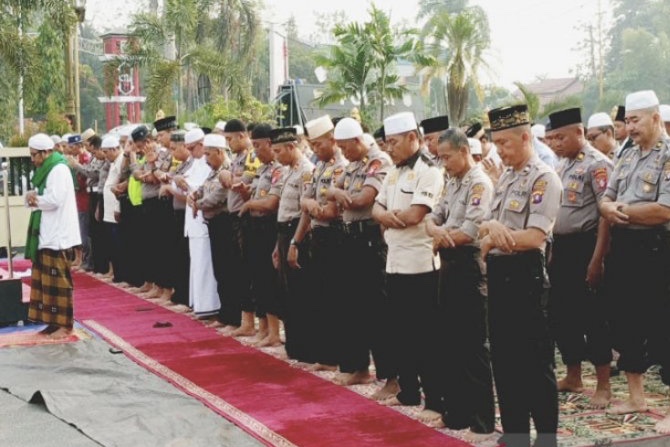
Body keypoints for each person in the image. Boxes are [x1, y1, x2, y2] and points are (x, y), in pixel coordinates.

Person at [478, 104, 561, 447]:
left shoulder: (544, 178)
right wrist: (490, 231)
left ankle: (545, 438)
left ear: (526, 137)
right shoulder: (507, 177)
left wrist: (495, 233)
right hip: (499, 276)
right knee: (505, 362)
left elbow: (535, 237)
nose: (499, 150)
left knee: (534, 364)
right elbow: (483, 232)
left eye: (505, 143)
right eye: (496, 143)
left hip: (525, 277)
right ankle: (514, 435)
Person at [599, 90, 670, 434]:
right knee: (625, 321)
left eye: (636, 119)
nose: (629, 126)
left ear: (656, 118)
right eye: (626, 120)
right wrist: (609, 208)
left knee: (664, 328)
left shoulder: (668, 154)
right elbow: (605, 198)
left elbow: (664, 210)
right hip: (625, 248)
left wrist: (619, 211)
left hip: (657, 250)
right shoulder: (626, 155)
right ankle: (636, 396)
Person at [371, 111, 445, 427]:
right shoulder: (392, 173)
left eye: (395, 141)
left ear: (413, 138)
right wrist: (388, 217)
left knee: (426, 336)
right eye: (387, 142)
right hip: (395, 261)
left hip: (421, 264)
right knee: (400, 331)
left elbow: (416, 214)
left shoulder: (429, 171)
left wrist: (390, 217)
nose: (390, 147)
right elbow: (377, 207)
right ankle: (409, 391)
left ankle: (435, 396)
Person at [425, 128, 495, 441]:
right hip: (449, 264)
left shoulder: (479, 183)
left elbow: (471, 231)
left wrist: (440, 235)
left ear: (465, 151)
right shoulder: (452, 181)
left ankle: (482, 420)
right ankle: (456, 413)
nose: (444, 164)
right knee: (448, 341)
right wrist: (435, 231)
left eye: (448, 157)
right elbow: (433, 216)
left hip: (468, 265)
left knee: (472, 345)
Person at [547, 107, 613, 408]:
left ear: (579, 132)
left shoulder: (597, 165)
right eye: (552, 138)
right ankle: (574, 375)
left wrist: (597, 259)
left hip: (586, 247)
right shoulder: (559, 165)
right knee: (563, 315)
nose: (556, 143)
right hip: (560, 248)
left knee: (593, 317)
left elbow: (605, 215)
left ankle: (603, 384)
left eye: (561, 137)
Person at [329, 122, 397, 396]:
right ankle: (358, 367)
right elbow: (334, 191)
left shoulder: (377, 161)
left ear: (358, 140)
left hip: (370, 240)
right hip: (349, 239)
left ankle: (391, 377)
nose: (344, 153)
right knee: (351, 306)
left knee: (378, 311)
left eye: (346, 147)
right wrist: (339, 193)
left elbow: (363, 199)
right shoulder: (353, 164)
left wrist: (341, 194)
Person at [292, 114, 348, 371]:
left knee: (336, 297)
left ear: (333, 139)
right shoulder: (319, 169)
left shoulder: (342, 167)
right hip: (317, 236)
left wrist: (313, 206)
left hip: (336, 237)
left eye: (319, 145)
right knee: (320, 296)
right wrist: (296, 241)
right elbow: (305, 204)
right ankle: (325, 354)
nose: (315, 150)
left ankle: (337, 355)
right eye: (312, 146)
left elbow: (331, 211)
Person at [24, 133, 81, 339]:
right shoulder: (45, 171)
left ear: (46, 152)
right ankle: (51, 322)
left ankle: (65, 324)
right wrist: (31, 198)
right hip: (46, 232)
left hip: (58, 234)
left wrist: (35, 200)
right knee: (44, 282)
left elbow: (55, 199)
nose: (33, 160)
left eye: (34, 155)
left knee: (59, 282)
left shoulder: (58, 169)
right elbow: (38, 195)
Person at [238, 123, 286, 347]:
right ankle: (263, 327)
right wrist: (246, 194)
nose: (254, 150)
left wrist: (249, 204)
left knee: (269, 280)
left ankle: (275, 331)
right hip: (254, 227)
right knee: (256, 278)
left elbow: (270, 203)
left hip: (269, 226)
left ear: (269, 143)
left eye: (257, 145)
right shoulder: (262, 168)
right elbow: (257, 192)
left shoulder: (278, 169)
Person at [271, 127, 315, 363]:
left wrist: (294, 243)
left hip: (296, 232)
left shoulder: (306, 171)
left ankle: (305, 348)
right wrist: (279, 245)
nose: (276, 155)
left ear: (291, 147)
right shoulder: (290, 171)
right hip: (284, 232)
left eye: (279, 150)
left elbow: (304, 214)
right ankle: (294, 346)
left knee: (300, 294)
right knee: (287, 293)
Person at [190, 133, 231, 321]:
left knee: (227, 270)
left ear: (220, 152)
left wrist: (198, 204)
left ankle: (231, 316)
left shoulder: (227, 170)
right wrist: (194, 196)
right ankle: (224, 314)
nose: (205, 158)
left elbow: (218, 196)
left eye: (209, 154)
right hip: (213, 224)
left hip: (225, 223)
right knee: (220, 271)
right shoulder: (213, 171)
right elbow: (202, 188)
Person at [183, 129, 220, 318]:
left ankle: (209, 307)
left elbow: (201, 188)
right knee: (197, 265)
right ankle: (199, 304)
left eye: (192, 148)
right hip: (193, 220)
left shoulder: (207, 164)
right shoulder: (196, 163)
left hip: (203, 218)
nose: (191, 152)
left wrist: (186, 186)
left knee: (206, 265)